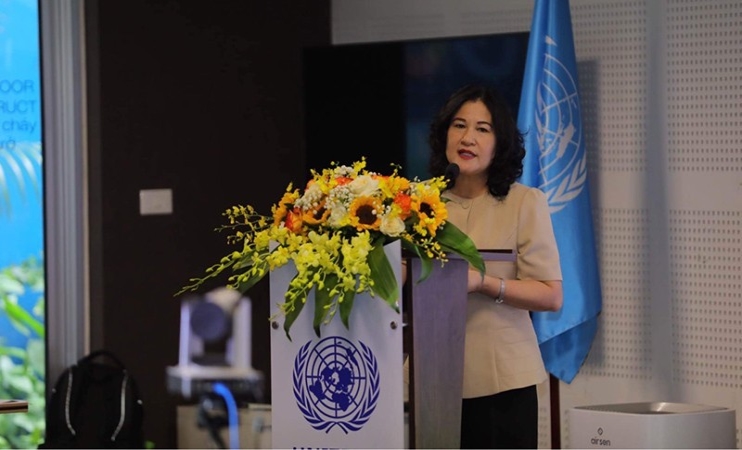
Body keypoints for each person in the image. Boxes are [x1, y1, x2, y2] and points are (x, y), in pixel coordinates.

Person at [428, 84, 563, 449]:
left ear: (499, 142)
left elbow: (551, 295)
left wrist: (484, 283)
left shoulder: (524, 203)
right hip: (432, 379)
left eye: (482, 129)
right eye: (458, 125)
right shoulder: (421, 202)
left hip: (503, 384)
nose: (467, 138)